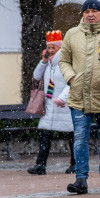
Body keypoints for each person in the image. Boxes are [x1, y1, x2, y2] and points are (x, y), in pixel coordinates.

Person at [58, 0, 100, 194]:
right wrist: (71, 79)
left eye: (94, 10)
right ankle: (81, 180)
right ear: (82, 14)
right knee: (80, 138)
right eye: (86, 11)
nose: (90, 14)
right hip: (79, 96)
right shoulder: (72, 34)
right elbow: (63, 61)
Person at [27, 30, 76, 175]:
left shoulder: (65, 62)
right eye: (48, 47)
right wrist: (43, 61)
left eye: (53, 47)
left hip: (64, 104)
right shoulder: (48, 63)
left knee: (71, 136)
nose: (49, 50)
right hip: (49, 104)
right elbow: (36, 76)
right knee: (45, 135)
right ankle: (40, 165)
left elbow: (71, 81)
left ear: (60, 48)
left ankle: (75, 164)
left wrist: (63, 98)